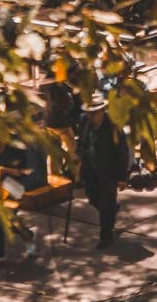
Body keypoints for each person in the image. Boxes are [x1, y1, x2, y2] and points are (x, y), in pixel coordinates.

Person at [77, 91, 130, 249]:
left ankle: (106, 236)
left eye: (94, 113)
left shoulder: (113, 126)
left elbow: (122, 152)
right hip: (90, 170)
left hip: (108, 172)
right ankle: (112, 210)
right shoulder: (84, 121)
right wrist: (78, 156)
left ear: (101, 111)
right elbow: (82, 141)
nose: (91, 117)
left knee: (106, 205)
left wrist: (122, 177)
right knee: (92, 197)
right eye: (89, 113)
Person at [0, 141, 48, 266]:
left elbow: (25, 171)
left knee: (8, 220)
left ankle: (27, 236)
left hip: (12, 188)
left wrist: (3, 170)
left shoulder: (16, 149)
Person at [41, 58, 80, 182]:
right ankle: (77, 176)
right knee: (73, 150)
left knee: (54, 150)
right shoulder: (59, 87)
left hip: (49, 121)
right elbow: (67, 104)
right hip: (61, 123)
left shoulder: (46, 83)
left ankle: (55, 174)